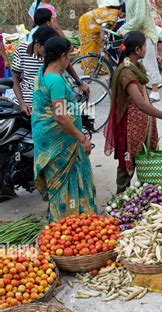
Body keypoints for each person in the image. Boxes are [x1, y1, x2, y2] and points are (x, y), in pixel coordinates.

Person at [104, 31, 162, 193]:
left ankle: (142, 194)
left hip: (141, 124)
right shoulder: (126, 72)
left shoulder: (136, 67)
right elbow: (141, 104)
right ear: (138, 50)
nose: (147, 48)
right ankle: (121, 196)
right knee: (126, 162)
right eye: (145, 46)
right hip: (130, 126)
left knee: (143, 159)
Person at [32, 37, 97, 222]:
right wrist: (82, 138)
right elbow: (60, 116)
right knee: (64, 184)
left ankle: (75, 221)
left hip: (53, 138)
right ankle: (66, 225)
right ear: (62, 56)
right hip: (60, 142)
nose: (69, 59)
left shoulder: (44, 72)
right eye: (69, 55)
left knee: (70, 180)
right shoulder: (55, 81)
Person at [11, 26, 89, 116]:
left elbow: (66, 63)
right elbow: (15, 79)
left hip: (50, 99)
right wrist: (21, 103)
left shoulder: (51, 54)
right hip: (28, 101)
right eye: (47, 47)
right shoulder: (21, 50)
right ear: (37, 44)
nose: (50, 51)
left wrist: (79, 82)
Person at [118, 0, 161, 102]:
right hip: (135, 33)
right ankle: (140, 90)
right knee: (136, 63)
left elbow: (139, 18)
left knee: (149, 63)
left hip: (146, 34)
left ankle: (155, 91)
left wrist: (124, 28)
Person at [78, 5, 121, 75]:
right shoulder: (114, 16)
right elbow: (103, 28)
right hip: (87, 24)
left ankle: (97, 68)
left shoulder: (114, 11)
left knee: (96, 47)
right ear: (122, 12)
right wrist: (102, 42)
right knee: (89, 47)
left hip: (91, 23)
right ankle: (89, 70)